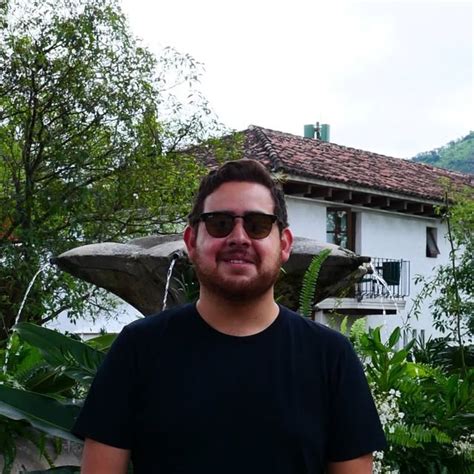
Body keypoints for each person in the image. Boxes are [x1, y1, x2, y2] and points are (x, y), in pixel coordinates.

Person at [73, 159, 386, 473]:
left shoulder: (330, 357)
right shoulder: (138, 348)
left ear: (284, 244)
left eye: (257, 225)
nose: (239, 237)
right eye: (220, 223)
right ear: (191, 242)